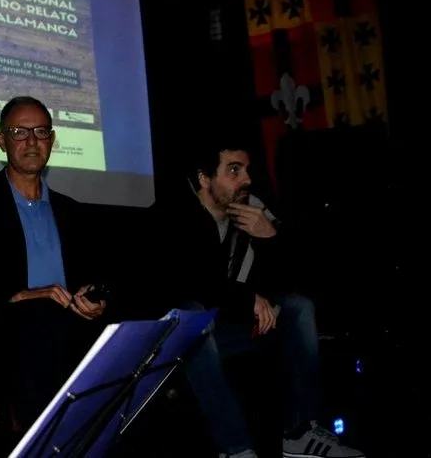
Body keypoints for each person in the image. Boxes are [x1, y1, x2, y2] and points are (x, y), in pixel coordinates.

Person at [150, 135, 364, 458]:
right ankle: (236, 449)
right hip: (182, 343)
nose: (246, 179)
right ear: (204, 179)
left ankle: (300, 432)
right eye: (233, 170)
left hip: (228, 331)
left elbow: (295, 277)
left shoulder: (252, 211)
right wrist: (246, 297)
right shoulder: (176, 215)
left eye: (246, 170)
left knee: (298, 308)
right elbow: (186, 283)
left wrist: (271, 238)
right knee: (193, 313)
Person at [0, 96, 108, 429]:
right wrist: (24, 296)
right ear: (1, 140)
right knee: (43, 322)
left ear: (52, 140)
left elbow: (99, 276)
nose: (32, 141)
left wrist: (96, 298)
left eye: (41, 132)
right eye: (20, 132)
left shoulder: (74, 212)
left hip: (70, 331)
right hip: (1, 334)